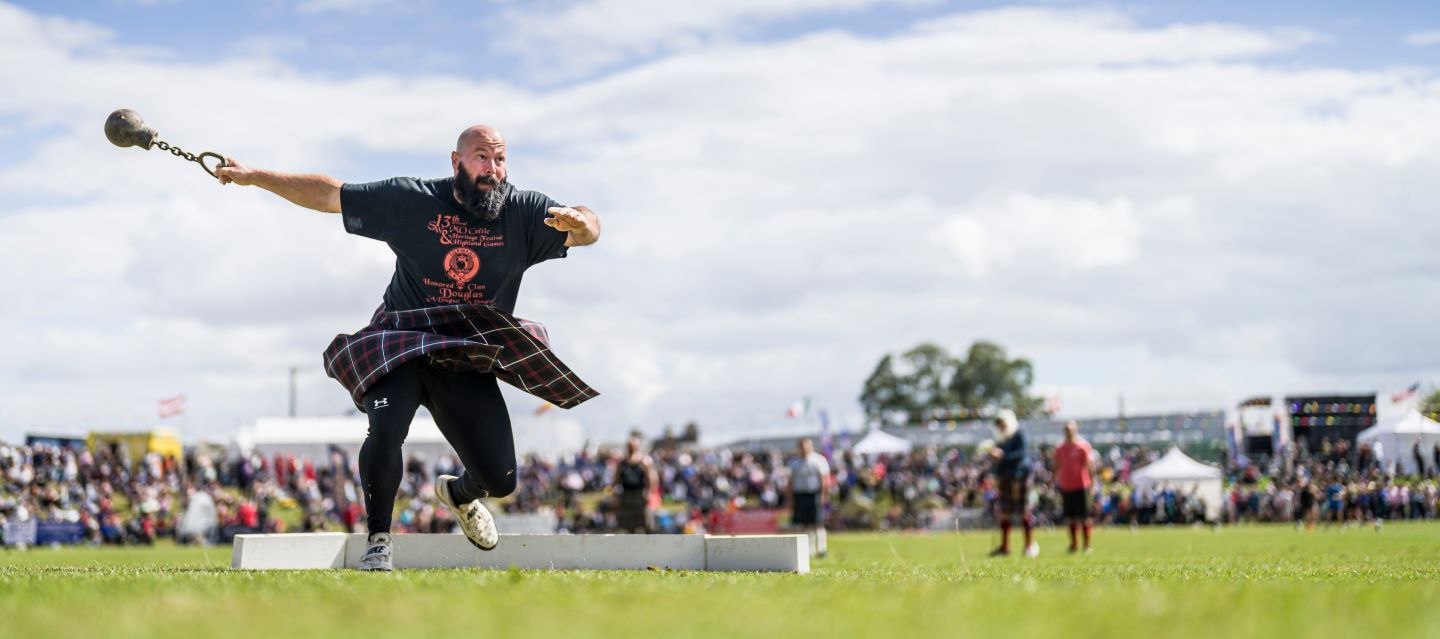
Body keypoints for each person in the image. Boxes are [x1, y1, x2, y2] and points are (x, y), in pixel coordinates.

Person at [215, 124, 601, 571]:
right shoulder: (413, 200)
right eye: (480, 157)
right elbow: (330, 195)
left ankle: (459, 494)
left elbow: (587, 226)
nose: (492, 169)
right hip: (403, 339)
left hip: (465, 353)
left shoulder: (523, 211)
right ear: (455, 162)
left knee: (501, 479)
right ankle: (379, 539)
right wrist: (253, 176)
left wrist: (582, 222)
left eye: (499, 159)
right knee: (385, 430)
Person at [988, 409, 1037, 557]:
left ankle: (1029, 545)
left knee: (1023, 511)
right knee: (1005, 511)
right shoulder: (1001, 439)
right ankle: (1005, 547)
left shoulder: (1018, 434)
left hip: (1020, 476)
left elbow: (1021, 454)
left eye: (1002, 423)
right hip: (1005, 478)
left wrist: (1003, 456)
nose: (1000, 426)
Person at [1053, 420, 1095, 553]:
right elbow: (1057, 466)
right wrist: (1053, 480)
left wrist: (1093, 484)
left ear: (1075, 430)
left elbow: (1090, 466)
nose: (1068, 432)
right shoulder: (1060, 448)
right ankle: (1074, 545)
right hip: (1066, 486)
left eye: (1070, 430)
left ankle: (1087, 545)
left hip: (1082, 486)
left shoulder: (1083, 446)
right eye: (1066, 430)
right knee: (1070, 517)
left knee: (1084, 517)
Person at [787, 438, 831, 558]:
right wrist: (790, 499)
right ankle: (809, 549)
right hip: (800, 495)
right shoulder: (794, 462)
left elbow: (824, 479)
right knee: (804, 524)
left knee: (818, 522)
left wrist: (823, 495)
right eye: (801, 446)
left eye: (806, 446)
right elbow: (790, 482)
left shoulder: (818, 460)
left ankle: (822, 549)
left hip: (814, 494)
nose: (804, 448)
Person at [614, 436, 657, 533]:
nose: (630, 448)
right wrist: (615, 496)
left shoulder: (644, 461)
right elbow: (615, 481)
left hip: (639, 494)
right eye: (629, 446)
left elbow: (652, 479)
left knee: (645, 522)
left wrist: (650, 493)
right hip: (626, 495)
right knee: (628, 524)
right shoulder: (622, 463)